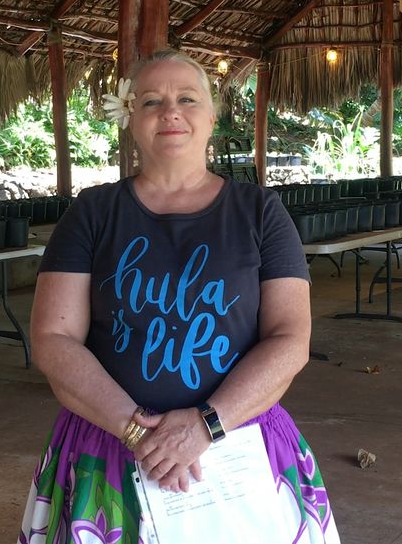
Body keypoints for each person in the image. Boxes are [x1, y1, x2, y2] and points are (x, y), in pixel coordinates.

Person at [17, 49, 339, 544]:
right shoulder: (92, 213)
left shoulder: (261, 212)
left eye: (188, 99)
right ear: (131, 119)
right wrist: (137, 432)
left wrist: (206, 426)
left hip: (238, 447)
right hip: (109, 450)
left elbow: (289, 338)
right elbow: (53, 340)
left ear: (212, 117)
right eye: (151, 101)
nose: (170, 112)